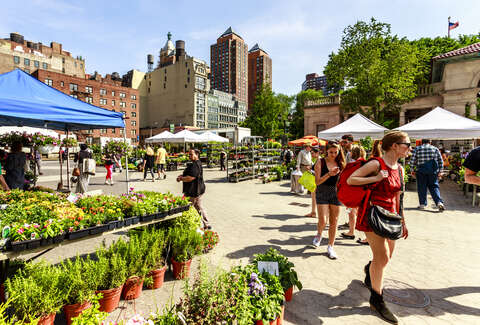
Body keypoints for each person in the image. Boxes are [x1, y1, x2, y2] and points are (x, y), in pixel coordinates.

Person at [347, 131, 410, 324]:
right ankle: (377, 299)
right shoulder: (376, 164)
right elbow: (352, 180)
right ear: (394, 146)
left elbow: (399, 196)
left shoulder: (399, 168)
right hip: (372, 215)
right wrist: (374, 179)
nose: (410, 148)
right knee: (381, 257)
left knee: (385, 258)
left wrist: (403, 220)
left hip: (391, 217)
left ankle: (369, 270)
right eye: (407, 144)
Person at [313, 141, 345, 259]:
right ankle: (319, 234)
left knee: (334, 220)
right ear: (326, 151)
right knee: (323, 220)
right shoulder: (320, 162)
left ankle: (330, 246)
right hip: (322, 191)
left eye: (336, 152)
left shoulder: (341, 163)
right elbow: (317, 182)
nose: (333, 154)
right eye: (331, 152)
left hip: (336, 193)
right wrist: (329, 174)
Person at [177, 149, 210, 229]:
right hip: (193, 190)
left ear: (197, 154)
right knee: (197, 207)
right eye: (189, 154)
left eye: (191, 154)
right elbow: (190, 174)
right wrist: (182, 176)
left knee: (193, 207)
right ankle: (205, 224)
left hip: (194, 191)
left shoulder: (196, 165)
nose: (189, 156)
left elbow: (191, 177)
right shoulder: (195, 163)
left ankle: (205, 224)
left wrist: (181, 179)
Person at [410, 139, 445, 211]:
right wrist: (440, 171)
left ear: (421, 142)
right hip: (433, 171)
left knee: (421, 187)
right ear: (430, 142)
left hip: (421, 171)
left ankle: (422, 204)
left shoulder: (417, 149)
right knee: (434, 186)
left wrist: (412, 170)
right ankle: (439, 202)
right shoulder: (435, 149)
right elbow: (440, 161)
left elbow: (412, 161)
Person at [341, 145, 366, 241]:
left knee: (352, 213)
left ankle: (351, 232)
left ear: (353, 153)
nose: (349, 153)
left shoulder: (352, 164)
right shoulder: (365, 163)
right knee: (360, 213)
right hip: (362, 192)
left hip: (352, 192)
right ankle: (364, 235)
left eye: (351, 151)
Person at [296, 142, 316, 217]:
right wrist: (298, 167)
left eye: (311, 147)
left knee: (309, 179)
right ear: (306, 147)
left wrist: (312, 165)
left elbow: (310, 160)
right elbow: (299, 159)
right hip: (303, 166)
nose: (310, 148)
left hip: (309, 166)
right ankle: (303, 189)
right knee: (305, 179)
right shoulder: (302, 152)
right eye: (309, 147)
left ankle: (309, 190)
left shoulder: (309, 153)